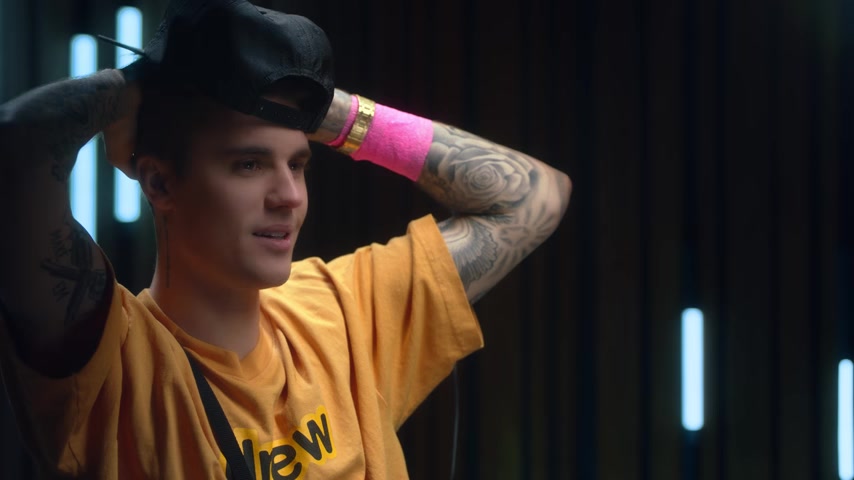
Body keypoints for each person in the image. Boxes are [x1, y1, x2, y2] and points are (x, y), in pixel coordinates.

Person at [0, 1, 571, 478]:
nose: (289, 196)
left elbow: (533, 197)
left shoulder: (340, 310)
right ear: (160, 182)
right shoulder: (113, 361)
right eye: (249, 165)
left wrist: (322, 111)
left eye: (297, 164)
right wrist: (140, 85)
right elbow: (17, 142)